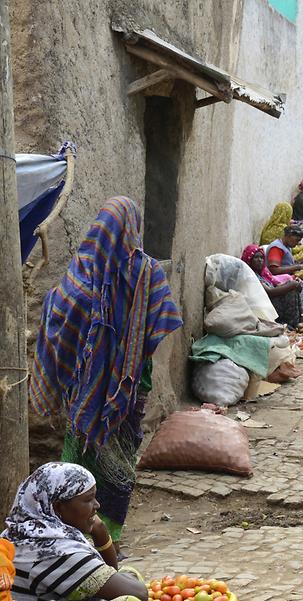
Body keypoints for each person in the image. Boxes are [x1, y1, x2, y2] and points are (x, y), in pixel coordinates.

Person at [29, 197, 182, 551]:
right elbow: (159, 328)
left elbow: (59, 317)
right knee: (120, 461)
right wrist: (124, 358)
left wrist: (98, 354)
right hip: (126, 390)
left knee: (79, 458)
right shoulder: (148, 273)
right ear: (134, 229)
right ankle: (106, 537)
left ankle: (70, 536)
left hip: (85, 390)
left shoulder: (81, 269)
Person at [2, 462, 150, 601]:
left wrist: (99, 529)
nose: (97, 505)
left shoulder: (16, 533)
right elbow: (139, 593)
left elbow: (108, 575)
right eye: (88, 500)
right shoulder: (56, 552)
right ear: (58, 507)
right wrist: (101, 531)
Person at [241, 244, 303, 330]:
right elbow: (269, 292)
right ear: (249, 259)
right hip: (262, 306)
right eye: (256, 258)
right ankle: (291, 323)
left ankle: (299, 323)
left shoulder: (262, 273)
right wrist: (291, 285)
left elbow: (274, 285)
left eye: (261, 258)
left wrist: (291, 283)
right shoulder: (250, 275)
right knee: (291, 292)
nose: (260, 260)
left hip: (269, 301)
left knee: (293, 286)